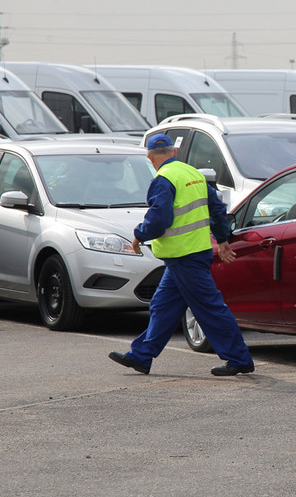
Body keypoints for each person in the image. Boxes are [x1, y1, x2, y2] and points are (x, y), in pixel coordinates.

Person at [108, 133, 254, 376]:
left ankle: (239, 359)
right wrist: (222, 239)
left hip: (184, 257)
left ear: (149, 158)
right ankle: (142, 356)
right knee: (163, 306)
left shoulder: (163, 179)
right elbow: (217, 208)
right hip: (191, 254)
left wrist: (139, 234)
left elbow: (160, 219)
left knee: (209, 307)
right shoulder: (192, 173)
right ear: (174, 153)